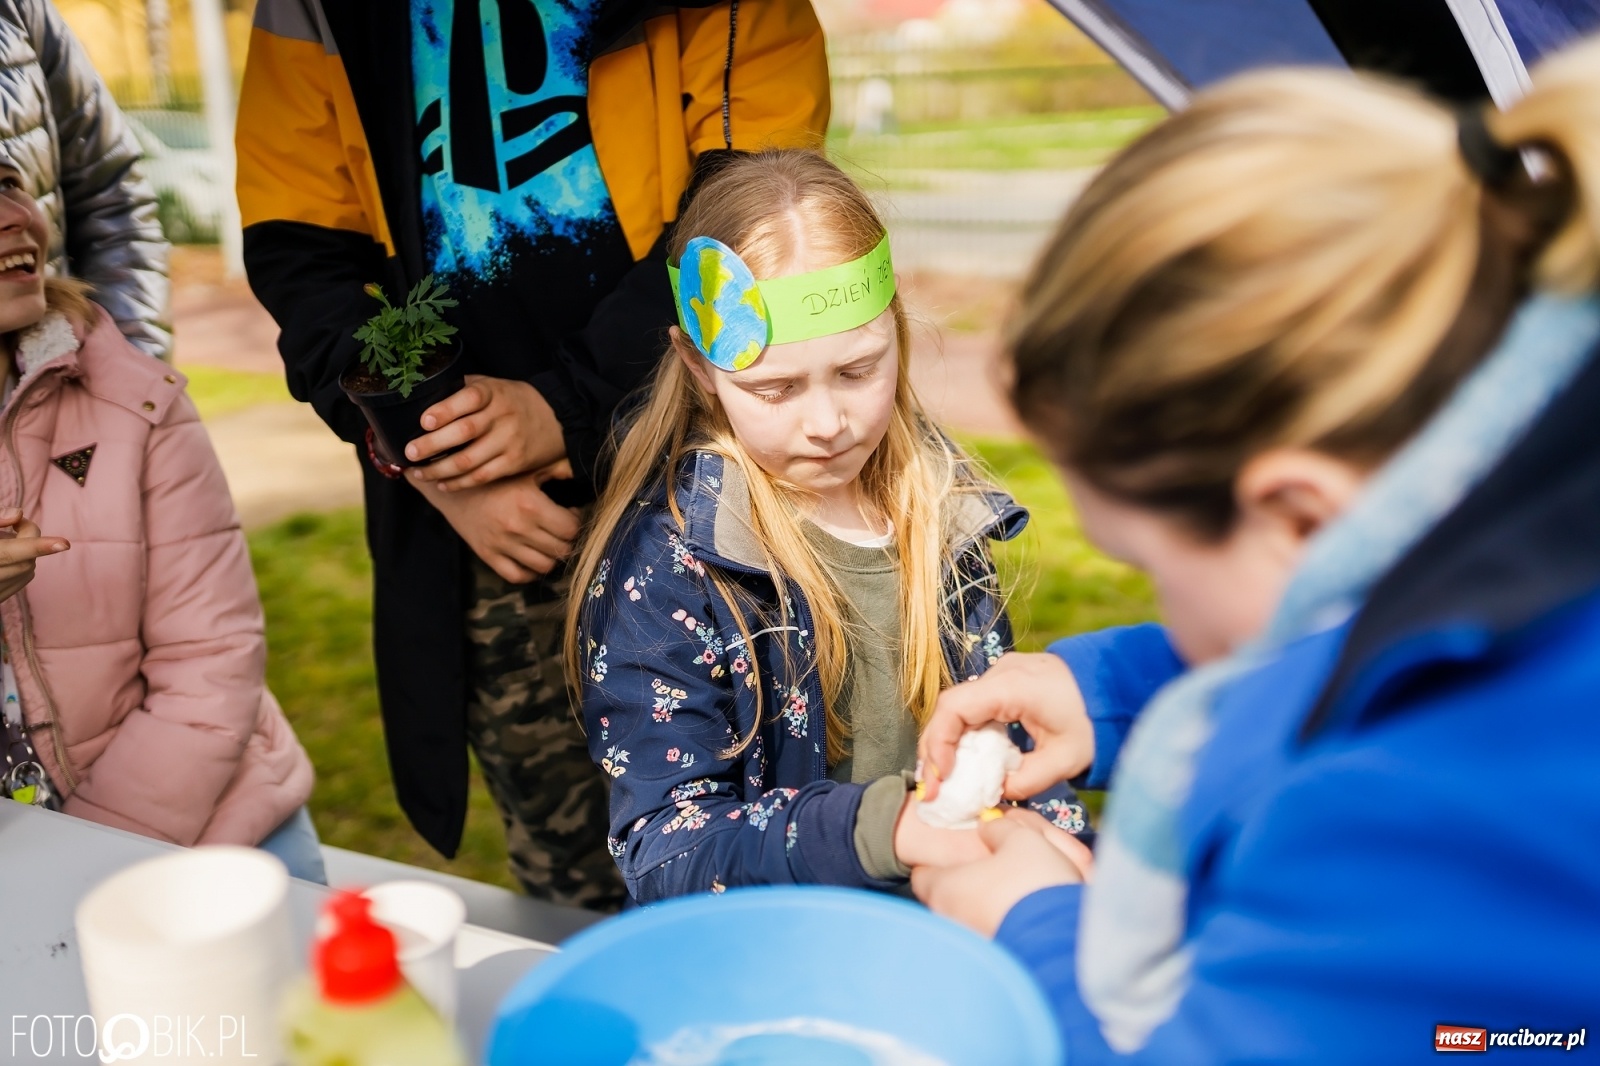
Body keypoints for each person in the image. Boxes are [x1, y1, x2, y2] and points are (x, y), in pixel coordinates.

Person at [911, 40, 1600, 1062]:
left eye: (1150, 561)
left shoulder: (1415, 814)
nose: (1161, 600)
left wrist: (1031, 927)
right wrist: (1107, 686)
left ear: (1299, 513)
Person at [236, 0, 830, 909]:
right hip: (501, 534)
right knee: (572, 877)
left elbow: (754, 209)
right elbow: (302, 249)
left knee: (771, 832)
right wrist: (441, 457)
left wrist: (569, 405)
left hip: (713, 477)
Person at [565, 150, 1091, 903]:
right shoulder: (669, 568)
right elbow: (667, 851)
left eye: (857, 370)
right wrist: (884, 829)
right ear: (699, 367)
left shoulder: (938, 510)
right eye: (775, 388)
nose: (828, 424)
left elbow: (1012, 746)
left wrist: (1069, 853)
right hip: (788, 965)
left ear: (896, 330)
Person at [0, 158, 319, 880]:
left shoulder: (135, 401)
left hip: (201, 829)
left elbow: (212, 660)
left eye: (8, 182)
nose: (13, 216)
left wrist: (89, 863)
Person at [0, 0, 169, 358]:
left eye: (8, 185)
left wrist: (126, 374)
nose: (19, 216)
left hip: (53, 382)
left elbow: (113, 195)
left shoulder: (18, 10)